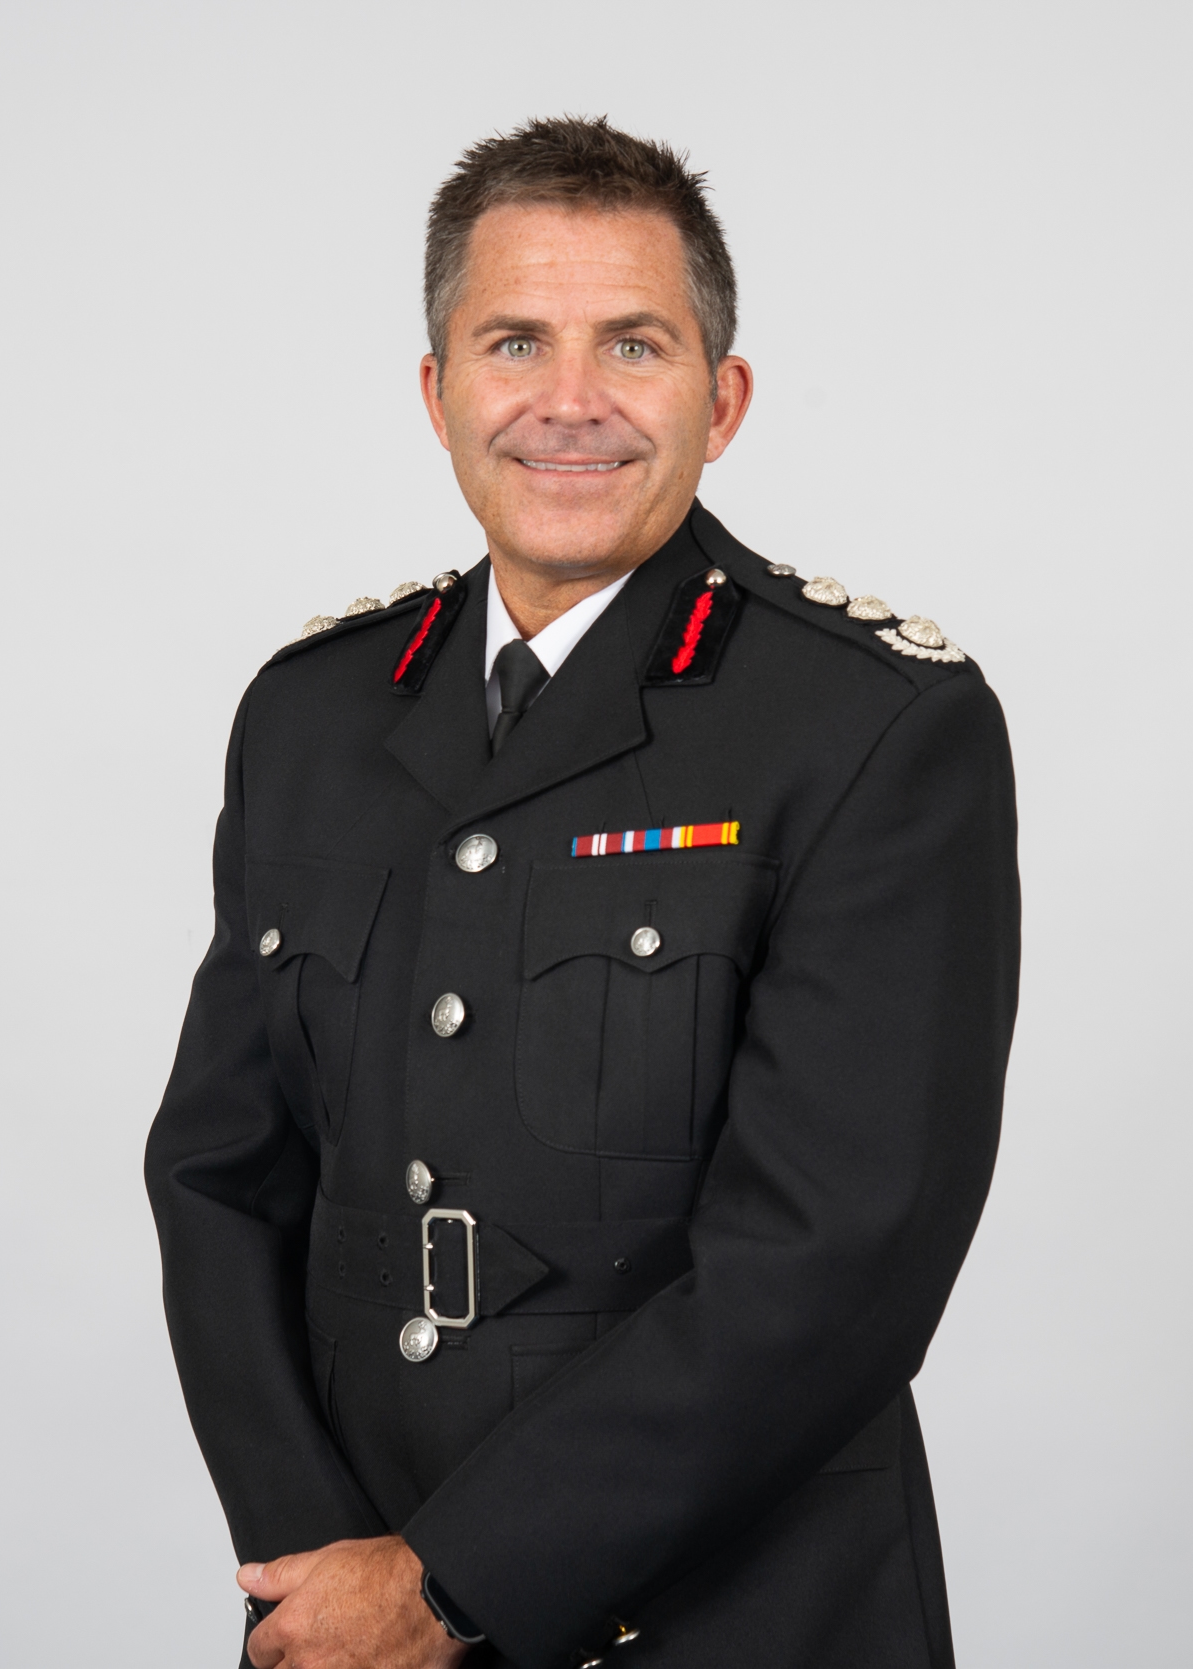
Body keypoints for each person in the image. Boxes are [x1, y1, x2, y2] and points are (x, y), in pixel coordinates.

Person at [146, 115, 1020, 1669]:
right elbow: (220, 1171)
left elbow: (837, 1260)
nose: (569, 403)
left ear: (722, 396)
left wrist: (443, 1587)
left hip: (738, 1616)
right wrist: (318, 1572)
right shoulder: (313, 715)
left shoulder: (875, 728)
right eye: (512, 343)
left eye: (633, 344)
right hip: (350, 1616)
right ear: (436, 393)